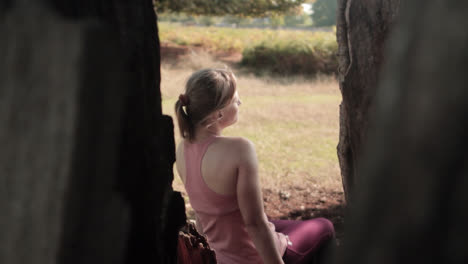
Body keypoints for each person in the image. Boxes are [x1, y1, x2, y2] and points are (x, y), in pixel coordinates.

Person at [174, 68, 336, 264]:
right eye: (235, 99)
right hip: (253, 257)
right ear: (218, 114)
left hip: (218, 257)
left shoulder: (182, 149)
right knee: (324, 226)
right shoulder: (240, 149)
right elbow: (255, 224)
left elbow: (201, 218)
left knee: (275, 225)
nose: (240, 102)